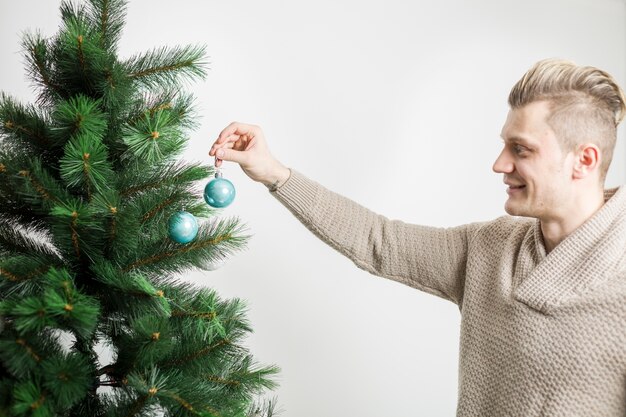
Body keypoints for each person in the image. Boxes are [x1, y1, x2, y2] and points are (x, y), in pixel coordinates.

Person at [209, 59, 626, 416]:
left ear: (583, 160)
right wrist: (273, 172)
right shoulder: (490, 247)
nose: (500, 164)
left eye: (521, 149)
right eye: (504, 145)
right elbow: (379, 239)